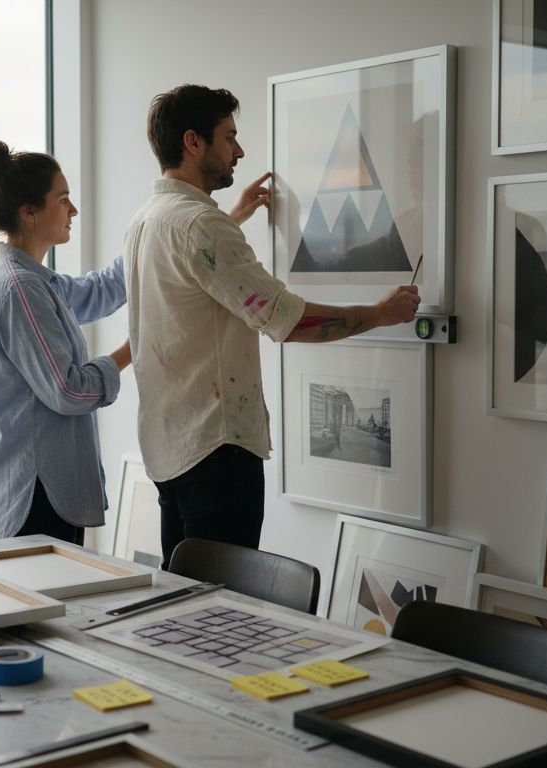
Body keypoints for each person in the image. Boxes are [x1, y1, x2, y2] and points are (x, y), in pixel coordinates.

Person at [123, 85, 421, 568]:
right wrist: (380, 314)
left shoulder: (146, 220)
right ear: (193, 142)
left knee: (186, 604)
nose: (239, 150)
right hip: (216, 451)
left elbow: (200, 282)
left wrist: (232, 219)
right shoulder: (201, 227)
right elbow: (289, 321)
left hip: (168, 446)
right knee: (221, 613)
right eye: (228, 137)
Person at [0, 139, 131, 545]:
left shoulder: (35, 282)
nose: (73, 211)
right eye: (63, 200)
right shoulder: (20, 288)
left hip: (43, 492)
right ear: (29, 213)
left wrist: (157, 239)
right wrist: (134, 349)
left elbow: (100, 291)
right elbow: (68, 390)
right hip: (35, 497)